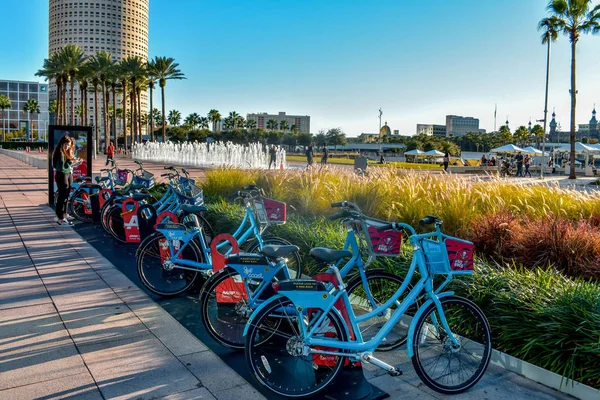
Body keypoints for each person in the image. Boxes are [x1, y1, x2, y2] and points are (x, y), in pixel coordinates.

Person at [53, 136, 77, 226]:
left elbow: (65, 164)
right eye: (66, 145)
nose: (67, 147)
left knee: (66, 196)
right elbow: (61, 166)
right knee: (62, 196)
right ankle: (60, 218)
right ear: (62, 143)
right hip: (62, 174)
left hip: (67, 173)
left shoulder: (64, 152)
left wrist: (71, 161)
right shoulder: (60, 152)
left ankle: (64, 214)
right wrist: (71, 162)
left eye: (69, 145)